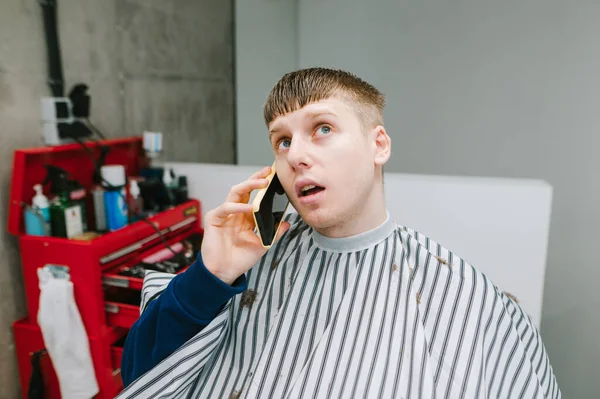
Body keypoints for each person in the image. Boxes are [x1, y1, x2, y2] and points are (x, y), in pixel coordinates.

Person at [119, 68, 561, 399]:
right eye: (283, 141)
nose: (296, 156)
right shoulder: (243, 268)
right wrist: (209, 275)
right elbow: (139, 377)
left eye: (323, 129)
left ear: (379, 145)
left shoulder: (469, 300)